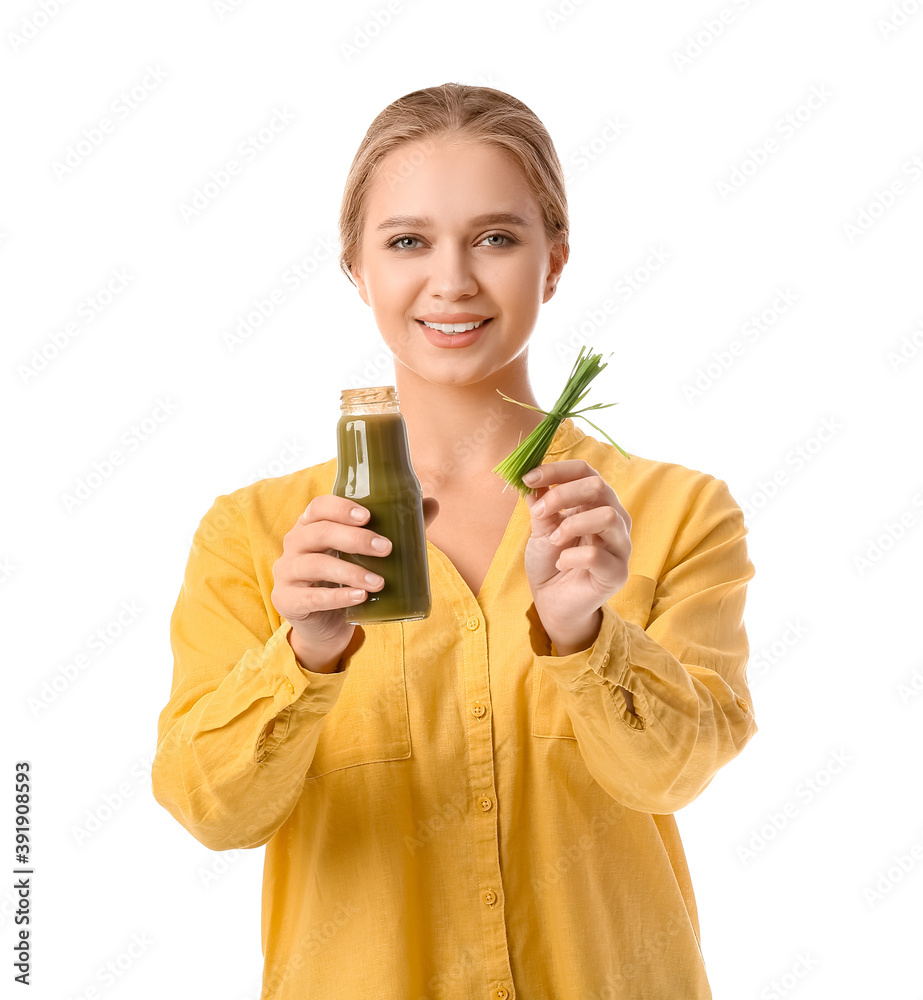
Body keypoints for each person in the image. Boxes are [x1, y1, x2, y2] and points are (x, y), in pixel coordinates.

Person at [152, 82, 757, 999]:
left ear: (553, 261)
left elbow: (673, 776)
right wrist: (305, 655)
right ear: (357, 268)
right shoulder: (257, 538)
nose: (452, 280)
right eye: (406, 242)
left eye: (496, 238)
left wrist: (587, 639)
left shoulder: (671, 513)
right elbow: (212, 812)